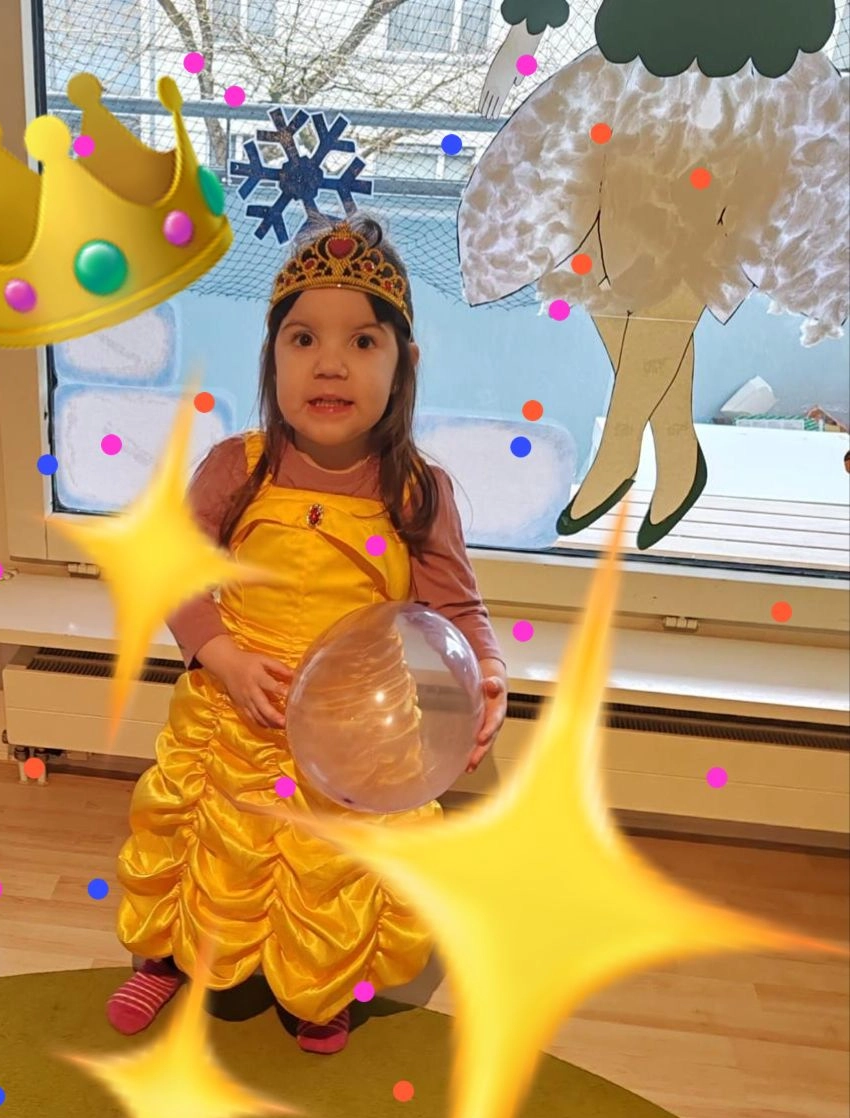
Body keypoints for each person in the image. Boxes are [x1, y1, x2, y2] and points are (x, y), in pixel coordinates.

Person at [106, 216, 508, 1054]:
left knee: (330, 870)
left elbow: (458, 611)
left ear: (403, 366)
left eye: (362, 341)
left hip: (353, 737)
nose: (330, 363)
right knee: (204, 843)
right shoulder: (236, 468)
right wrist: (222, 655)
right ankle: (166, 955)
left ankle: (319, 979)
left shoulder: (418, 491)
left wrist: (488, 673)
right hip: (236, 714)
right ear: (273, 359)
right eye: (303, 339)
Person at [460, 0, 848, 547]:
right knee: (600, 265)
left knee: (685, 259)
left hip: (748, 66)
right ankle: (677, 451)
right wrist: (524, 33)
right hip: (645, 54)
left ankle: (620, 450)